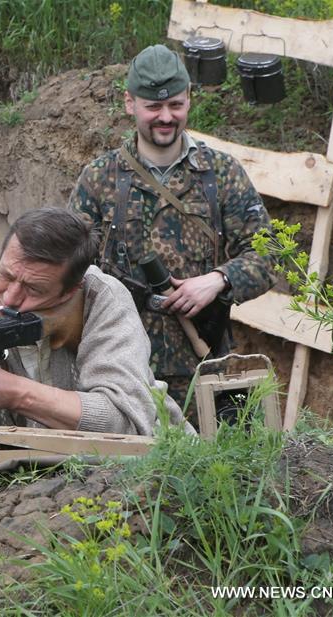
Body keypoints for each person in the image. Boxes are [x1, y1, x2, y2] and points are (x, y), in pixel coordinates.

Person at [0, 207, 190, 477]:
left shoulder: (101, 299)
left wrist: (15, 394)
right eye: (6, 276)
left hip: (164, 472)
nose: (11, 298)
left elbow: (125, 424)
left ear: (71, 290)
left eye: (34, 288)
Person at [67, 44, 276, 417]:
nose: (166, 117)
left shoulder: (221, 174)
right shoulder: (100, 179)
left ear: (189, 99)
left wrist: (218, 279)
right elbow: (69, 266)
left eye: (176, 105)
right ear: (130, 104)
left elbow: (267, 255)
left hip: (203, 364)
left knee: (218, 468)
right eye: (153, 106)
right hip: (121, 367)